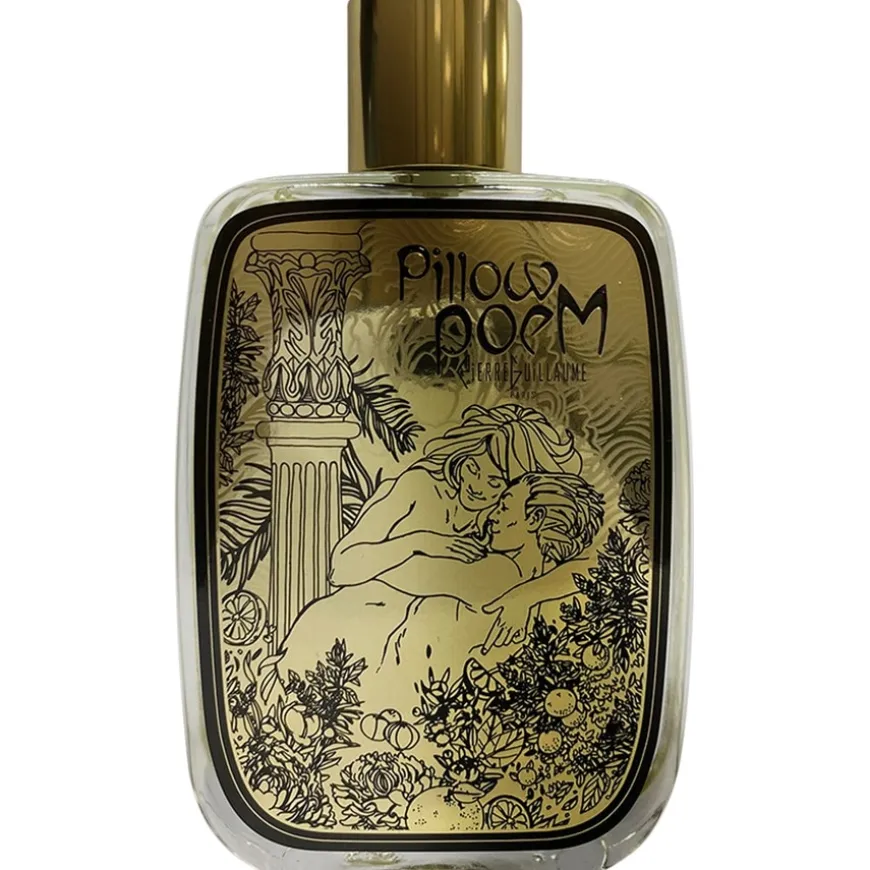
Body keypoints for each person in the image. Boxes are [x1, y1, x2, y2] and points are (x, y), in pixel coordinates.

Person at [328, 404, 581, 588]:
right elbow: (340, 569)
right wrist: (421, 543)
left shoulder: (502, 528)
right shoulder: (419, 486)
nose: (476, 486)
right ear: (460, 456)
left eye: (494, 482)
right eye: (472, 468)